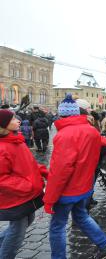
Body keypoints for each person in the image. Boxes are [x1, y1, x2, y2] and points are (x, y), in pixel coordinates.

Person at [43, 94, 106, 259]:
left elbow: (60, 171)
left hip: (67, 191)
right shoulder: (91, 130)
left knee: (57, 227)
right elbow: (102, 141)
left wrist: (49, 199)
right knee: (81, 216)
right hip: (84, 187)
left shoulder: (64, 135)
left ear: (61, 114)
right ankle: (105, 246)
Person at [0, 109, 48, 258]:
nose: (18, 121)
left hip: (26, 194)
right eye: (14, 119)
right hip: (15, 197)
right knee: (17, 233)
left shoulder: (17, 141)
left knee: (28, 220)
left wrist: (45, 173)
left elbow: (29, 164)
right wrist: (28, 186)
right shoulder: (3, 147)